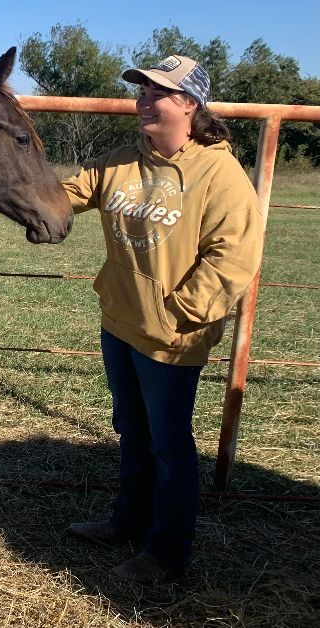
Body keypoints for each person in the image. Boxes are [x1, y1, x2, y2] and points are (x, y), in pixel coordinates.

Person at [61, 55, 264, 584]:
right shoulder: (124, 159)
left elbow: (233, 257)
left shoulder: (219, 173)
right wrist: (10, 182)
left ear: (190, 105)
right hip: (120, 321)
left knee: (170, 445)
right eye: (142, 91)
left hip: (171, 336)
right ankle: (127, 522)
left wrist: (180, 314)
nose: (144, 100)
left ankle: (166, 553)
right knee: (130, 428)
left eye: (159, 93)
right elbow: (68, 194)